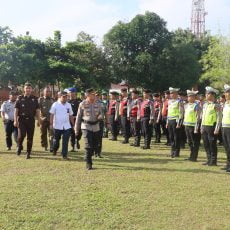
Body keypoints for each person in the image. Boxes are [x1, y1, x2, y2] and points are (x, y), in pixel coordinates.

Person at [75, 88, 103, 170]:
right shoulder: (82, 104)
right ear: (87, 95)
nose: (94, 95)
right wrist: (76, 129)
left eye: (94, 94)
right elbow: (78, 117)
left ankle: (87, 155)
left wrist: (101, 117)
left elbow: (101, 114)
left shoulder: (98, 104)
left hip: (96, 126)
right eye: (92, 94)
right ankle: (89, 163)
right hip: (86, 126)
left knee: (95, 145)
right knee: (88, 145)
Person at [14, 83, 40, 159]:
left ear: (31, 89)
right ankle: (19, 146)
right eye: (26, 88)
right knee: (21, 135)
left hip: (31, 120)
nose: (28, 89)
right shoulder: (19, 98)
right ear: (24, 89)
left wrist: (38, 120)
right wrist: (15, 121)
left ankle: (28, 152)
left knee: (30, 137)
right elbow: (16, 110)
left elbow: (37, 110)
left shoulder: (35, 99)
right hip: (21, 120)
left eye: (29, 88)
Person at [50, 91, 74, 159]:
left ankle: (64, 155)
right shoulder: (55, 104)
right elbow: (51, 115)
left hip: (67, 126)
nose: (65, 98)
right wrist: (51, 124)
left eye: (66, 96)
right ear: (60, 97)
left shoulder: (68, 105)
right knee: (56, 141)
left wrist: (73, 124)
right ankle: (55, 149)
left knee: (65, 141)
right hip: (57, 126)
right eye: (63, 97)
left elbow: (71, 115)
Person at [201, 87, 221, 166]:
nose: (206, 95)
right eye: (206, 93)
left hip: (212, 127)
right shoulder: (205, 105)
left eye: (207, 94)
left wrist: (217, 128)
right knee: (206, 144)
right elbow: (203, 116)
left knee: (212, 144)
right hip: (205, 126)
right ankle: (208, 159)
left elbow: (219, 117)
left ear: (212, 95)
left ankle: (213, 161)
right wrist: (202, 127)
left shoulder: (216, 105)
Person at [183, 90, 201, 162]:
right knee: (189, 142)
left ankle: (194, 157)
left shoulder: (196, 105)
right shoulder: (186, 105)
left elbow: (198, 117)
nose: (189, 98)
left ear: (194, 97)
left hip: (193, 126)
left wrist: (196, 128)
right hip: (187, 125)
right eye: (188, 96)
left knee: (194, 142)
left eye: (190, 96)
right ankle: (191, 155)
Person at [167, 87, 184, 158]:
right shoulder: (169, 101)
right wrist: (167, 122)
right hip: (170, 120)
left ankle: (176, 152)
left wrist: (179, 123)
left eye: (172, 93)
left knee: (176, 137)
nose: (170, 94)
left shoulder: (179, 101)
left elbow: (181, 113)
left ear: (176, 94)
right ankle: (172, 151)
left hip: (176, 121)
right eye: (170, 93)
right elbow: (169, 112)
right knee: (171, 137)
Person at [38, 87, 54, 152]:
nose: (48, 92)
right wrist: (39, 119)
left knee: (51, 134)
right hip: (43, 120)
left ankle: (51, 147)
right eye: (46, 91)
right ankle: (45, 146)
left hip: (51, 120)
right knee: (43, 134)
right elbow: (37, 110)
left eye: (49, 91)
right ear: (43, 92)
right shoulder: (40, 100)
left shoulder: (53, 100)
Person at [68, 87, 81, 152]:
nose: (70, 94)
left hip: (77, 119)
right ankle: (73, 147)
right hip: (69, 120)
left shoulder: (79, 101)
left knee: (79, 133)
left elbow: (81, 111)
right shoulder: (67, 102)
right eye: (70, 92)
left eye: (72, 92)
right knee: (72, 133)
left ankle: (77, 140)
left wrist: (76, 116)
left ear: (75, 93)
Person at [221, 85, 230, 172]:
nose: (226, 94)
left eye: (227, 92)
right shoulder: (225, 104)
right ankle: (228, 164)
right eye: (225, 92)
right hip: (224, 127)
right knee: (226, 147)